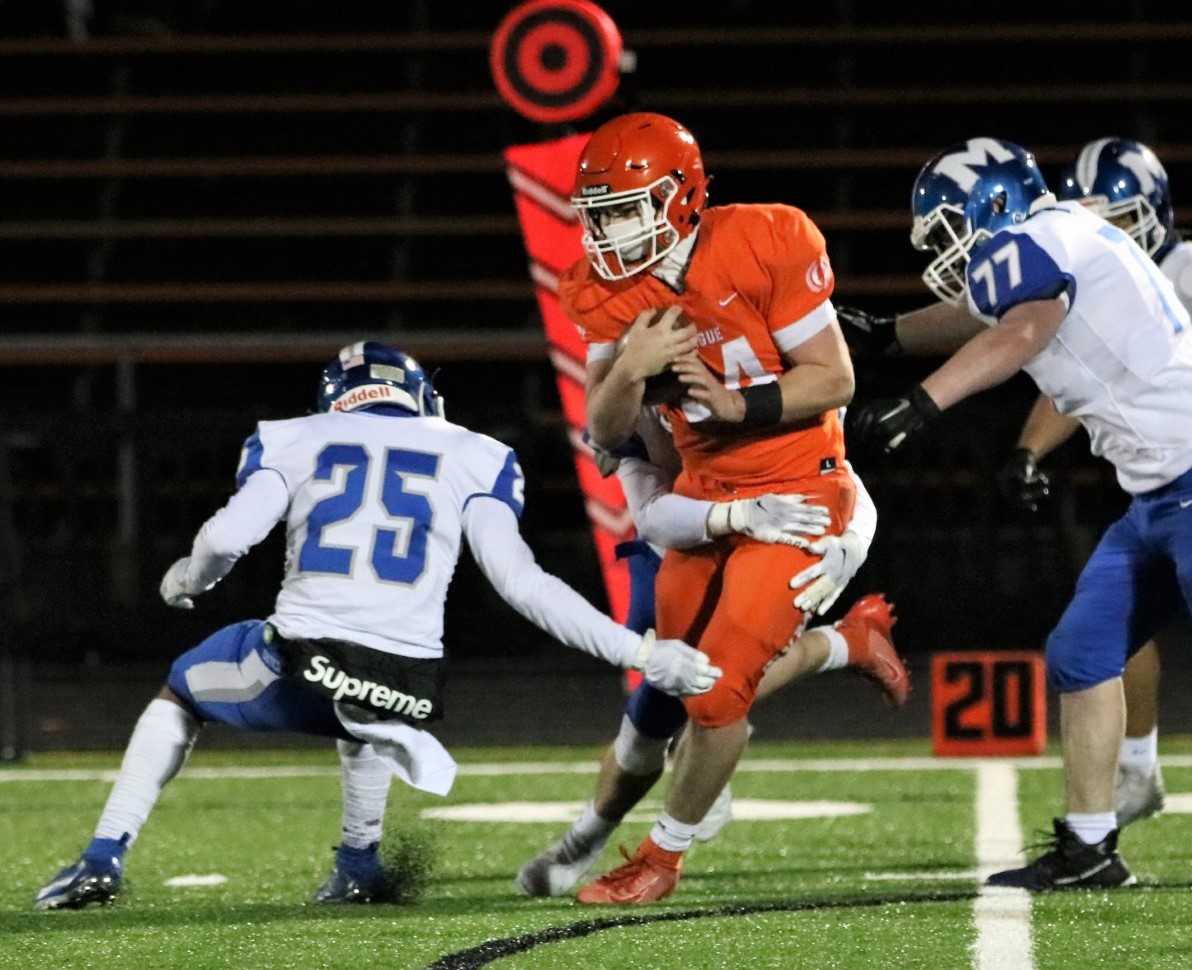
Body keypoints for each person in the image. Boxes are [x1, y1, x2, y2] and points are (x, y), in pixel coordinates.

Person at [33, 341, 720, 911]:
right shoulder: (477, 453)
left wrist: (188, 577)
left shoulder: (294, 437)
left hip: (301, 657)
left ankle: (103, 856)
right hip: (410, 682)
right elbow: (523, 585)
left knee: (180, 694)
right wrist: (639, 651)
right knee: (357, 701)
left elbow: (227, 537)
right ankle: (358, 864)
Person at [852, 136, 1192, 891]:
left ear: (995, 207)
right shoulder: (1056, 244)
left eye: (954, 229)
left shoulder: (1048, 237)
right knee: (1083, 651)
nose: (949, 252)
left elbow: (1018, 334)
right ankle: (1089, 848)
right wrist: (889, 335)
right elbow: (985, 314)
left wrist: (923, 404)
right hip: (1160, 492)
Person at [560, 112, 889, 904]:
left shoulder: (765, 239)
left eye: (628, 208)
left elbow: (834, 378)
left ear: (680, 197)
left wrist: (742, 408)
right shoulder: (607, 290)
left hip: (799, 490)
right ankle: (846, 644)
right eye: (600, 213)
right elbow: (602, 431)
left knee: (714, 693)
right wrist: (631, 371)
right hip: (703, 495)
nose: (610, 231)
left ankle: (660, 859)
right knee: (682, 682)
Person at [1000, 138, 1192, 837]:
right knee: (1101, 637)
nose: (1111, 234)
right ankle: (1135, 773)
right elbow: (1070, 382)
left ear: (1152, 215)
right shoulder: (1098, 280)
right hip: (1159, 475)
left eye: (1123, 220)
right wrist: (1029, 451)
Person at [515, 405, 905, 898]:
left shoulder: (753, 380)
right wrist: (732, 512)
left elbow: (837, 469)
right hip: (685, 540)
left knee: (720, 688)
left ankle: (649, 850)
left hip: (775, 536)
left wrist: (853, 543)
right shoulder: (636, 400)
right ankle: (586, 839)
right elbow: (656, 519)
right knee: (650, 721)